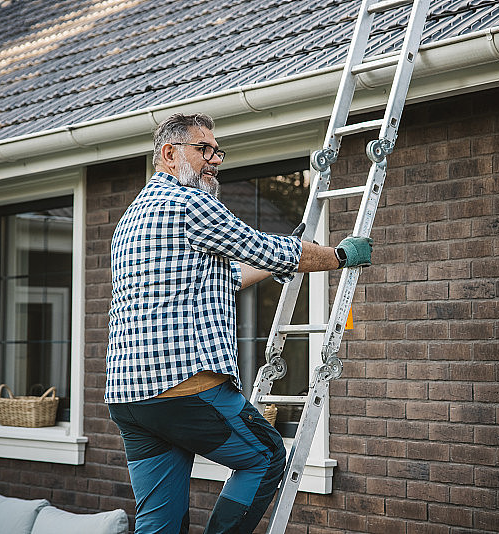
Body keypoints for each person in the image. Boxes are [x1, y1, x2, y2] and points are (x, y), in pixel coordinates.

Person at [105, 112, 373, 534]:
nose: (215, 159)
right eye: (204, 149)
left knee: (159, 522)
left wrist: (279, 259)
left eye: (218, 151)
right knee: (265, 457)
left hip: (130, 399)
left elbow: (227, 276)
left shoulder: (133, 217)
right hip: (183, 387)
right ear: (170, 154)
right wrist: (338, 256)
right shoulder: (188, 203)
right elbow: (264, 248)